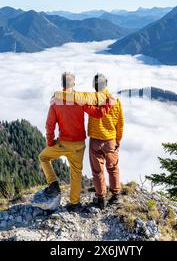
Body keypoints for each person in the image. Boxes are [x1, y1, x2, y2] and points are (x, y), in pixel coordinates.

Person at [38, 72, 113, 212]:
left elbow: (50, 125)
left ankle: (53, 183)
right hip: (79, 143)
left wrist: (50, 141)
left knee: (43, 157)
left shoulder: (55, 101)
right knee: (76, 172)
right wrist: (109, 102)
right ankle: (74, 203)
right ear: (74, 83)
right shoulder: (80, 99)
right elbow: (98, 113)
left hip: (63, 143)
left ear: (62, 83)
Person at [88, 73, 124, 209]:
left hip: (95, 141)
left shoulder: (91, 99)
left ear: (94, 85)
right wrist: (118, 140)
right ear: (106, 84)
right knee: (113, 168)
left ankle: (100, 197)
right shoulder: (116, 101)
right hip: (110, 140)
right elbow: (120, 123)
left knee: (97, 171)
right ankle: (116, 196)